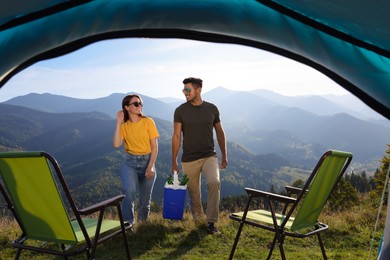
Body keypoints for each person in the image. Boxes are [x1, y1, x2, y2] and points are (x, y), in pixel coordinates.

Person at [171, 77, 228, 234]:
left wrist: (224, 155)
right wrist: (174, 161)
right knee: (194, 195)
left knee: (214, 182)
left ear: (198, 90)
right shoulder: (180, 110)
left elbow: (220, 132)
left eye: (188, 90)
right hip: (189, 159)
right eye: (184, 90)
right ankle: (198, 223)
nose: (185, 93)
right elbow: (176, 136)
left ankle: (211, 223)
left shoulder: (212, 109)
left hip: (210, 155)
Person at [113, 94, 159, 227]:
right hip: (130, 163)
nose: (140, 106)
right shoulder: (124, 125)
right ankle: (128, 224)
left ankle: (142, 226)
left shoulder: (148, 121)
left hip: (147, 161)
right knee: (129, 191)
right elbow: (116, 144)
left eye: (140, 103)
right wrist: (118, 122)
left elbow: (155, 147)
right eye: (136, 104)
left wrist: (150, 166)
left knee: (145, 200)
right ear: (127, 107)